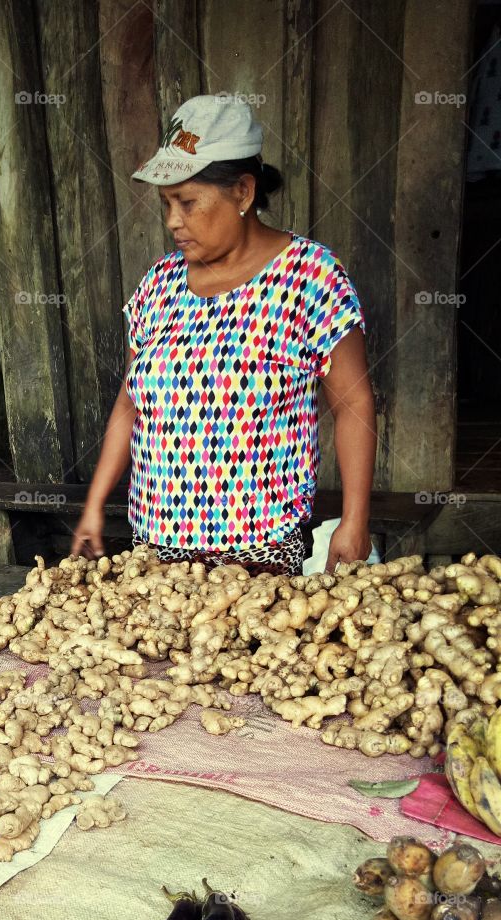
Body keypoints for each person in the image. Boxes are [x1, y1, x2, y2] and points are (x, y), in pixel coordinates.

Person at [70, 94, 377, 575]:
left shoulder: (310, 277)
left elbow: (353, 404)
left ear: (243, 192)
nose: (173, 220)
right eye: (166, 204)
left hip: (259, 558)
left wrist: (354, 520)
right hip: (156, 553)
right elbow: (130, 402)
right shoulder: (160, 283)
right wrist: (94, 503)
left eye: (188, 202)